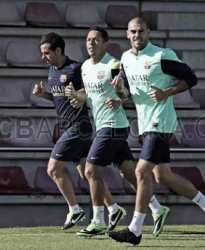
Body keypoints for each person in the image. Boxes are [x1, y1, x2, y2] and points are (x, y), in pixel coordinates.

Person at [108, 18, 205, 246]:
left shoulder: (162, 56)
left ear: (148, 32)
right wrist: (119, 91)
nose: (137, 35)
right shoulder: (126, 59)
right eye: (133, 31)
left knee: (141, 172)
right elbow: (128, 94)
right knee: (163, 176)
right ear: (127, 34)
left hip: (161, 121)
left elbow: (191, 78)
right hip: (145, 123)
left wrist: (166, 92)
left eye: (141, 31)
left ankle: (135, 230)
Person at [65, 27, 169, 238]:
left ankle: (98, 221)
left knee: (91, 170)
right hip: (105, 124)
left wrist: (119, 94)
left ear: (105, 45)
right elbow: (91, 92)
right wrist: (76, 95)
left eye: (95, 40)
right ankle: (158, 209)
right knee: (129, 173)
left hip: (113, 125)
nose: (91, 43)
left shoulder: (113, 64)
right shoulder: (85, 66)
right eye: (88, 40)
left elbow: (126, 91)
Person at [34, 32, 127, 232]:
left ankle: (75, 210)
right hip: (68, 126)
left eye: (46, 52)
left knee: (53, 169)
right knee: (88, 174)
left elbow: (89, 91)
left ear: (58, 50)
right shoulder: (52, 70)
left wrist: (79, 95)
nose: (43, 57)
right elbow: (60, 98)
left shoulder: (76, 69)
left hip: (79, 127)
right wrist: (45, 95)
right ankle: (113, 208)